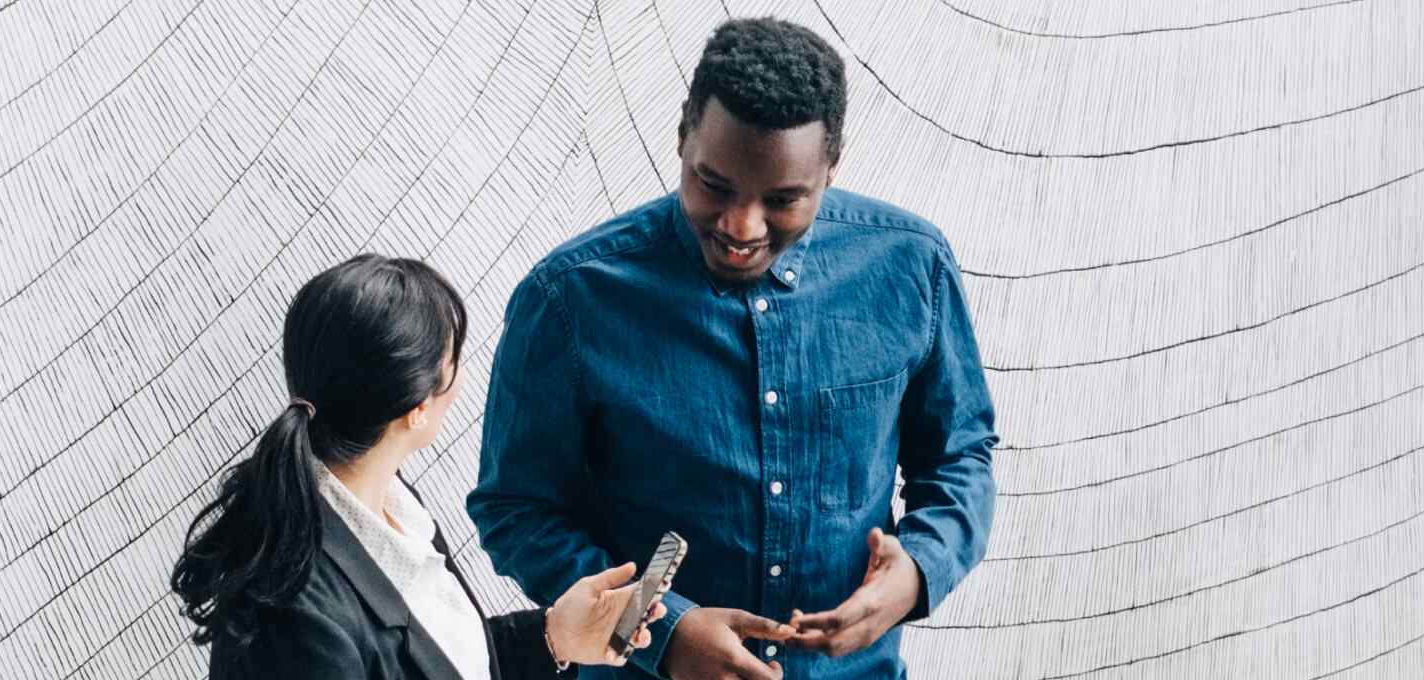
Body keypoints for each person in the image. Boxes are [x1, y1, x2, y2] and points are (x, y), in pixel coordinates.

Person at [468, 16, 997, 680]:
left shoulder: (911, 266)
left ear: (831, 167)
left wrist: (919, 569)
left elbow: (960, 457)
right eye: (714, 185)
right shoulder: (569, 299)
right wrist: (659, 631)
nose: (741, 227)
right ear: (684, 136)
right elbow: (514, 509)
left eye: (782, 200)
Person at [171, 254, 661, 679]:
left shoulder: (396, 507)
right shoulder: (294, 616)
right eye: (453, 363)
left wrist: (555, 637)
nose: (463, 378)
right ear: (417, 408)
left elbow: (436, 664)